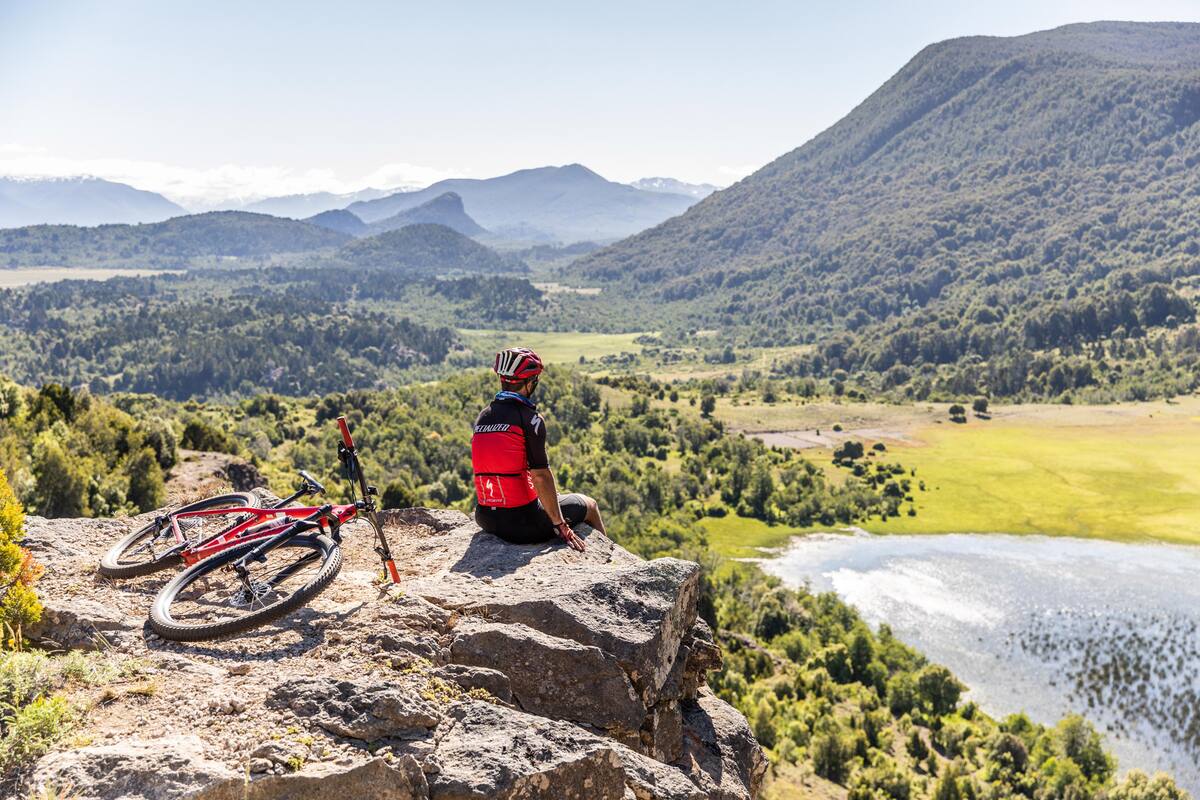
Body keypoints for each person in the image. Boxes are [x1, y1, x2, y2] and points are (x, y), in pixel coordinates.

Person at [471, 347, 606, 551]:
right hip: (522, 523)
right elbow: (540, 475)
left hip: (485, 518)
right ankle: (607, 561)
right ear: (529, 382)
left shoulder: (483, 417)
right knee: (590, 505)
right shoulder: (530, 419)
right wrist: (561, 525)